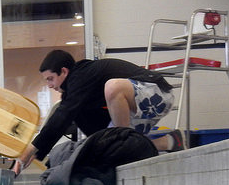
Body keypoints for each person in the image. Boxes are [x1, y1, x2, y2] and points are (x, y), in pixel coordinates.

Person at [13, 50, 184, 175]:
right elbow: (60, 122)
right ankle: (169, 142)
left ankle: (122, 145)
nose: (49, 85)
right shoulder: (74, 93)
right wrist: (36, 155)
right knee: (104, 149)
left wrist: (29, 151)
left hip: (159, 94)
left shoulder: (81, 75)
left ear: (64, 72)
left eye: (51, 78)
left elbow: (62, 115)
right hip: (138, 106)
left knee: (112, 87)